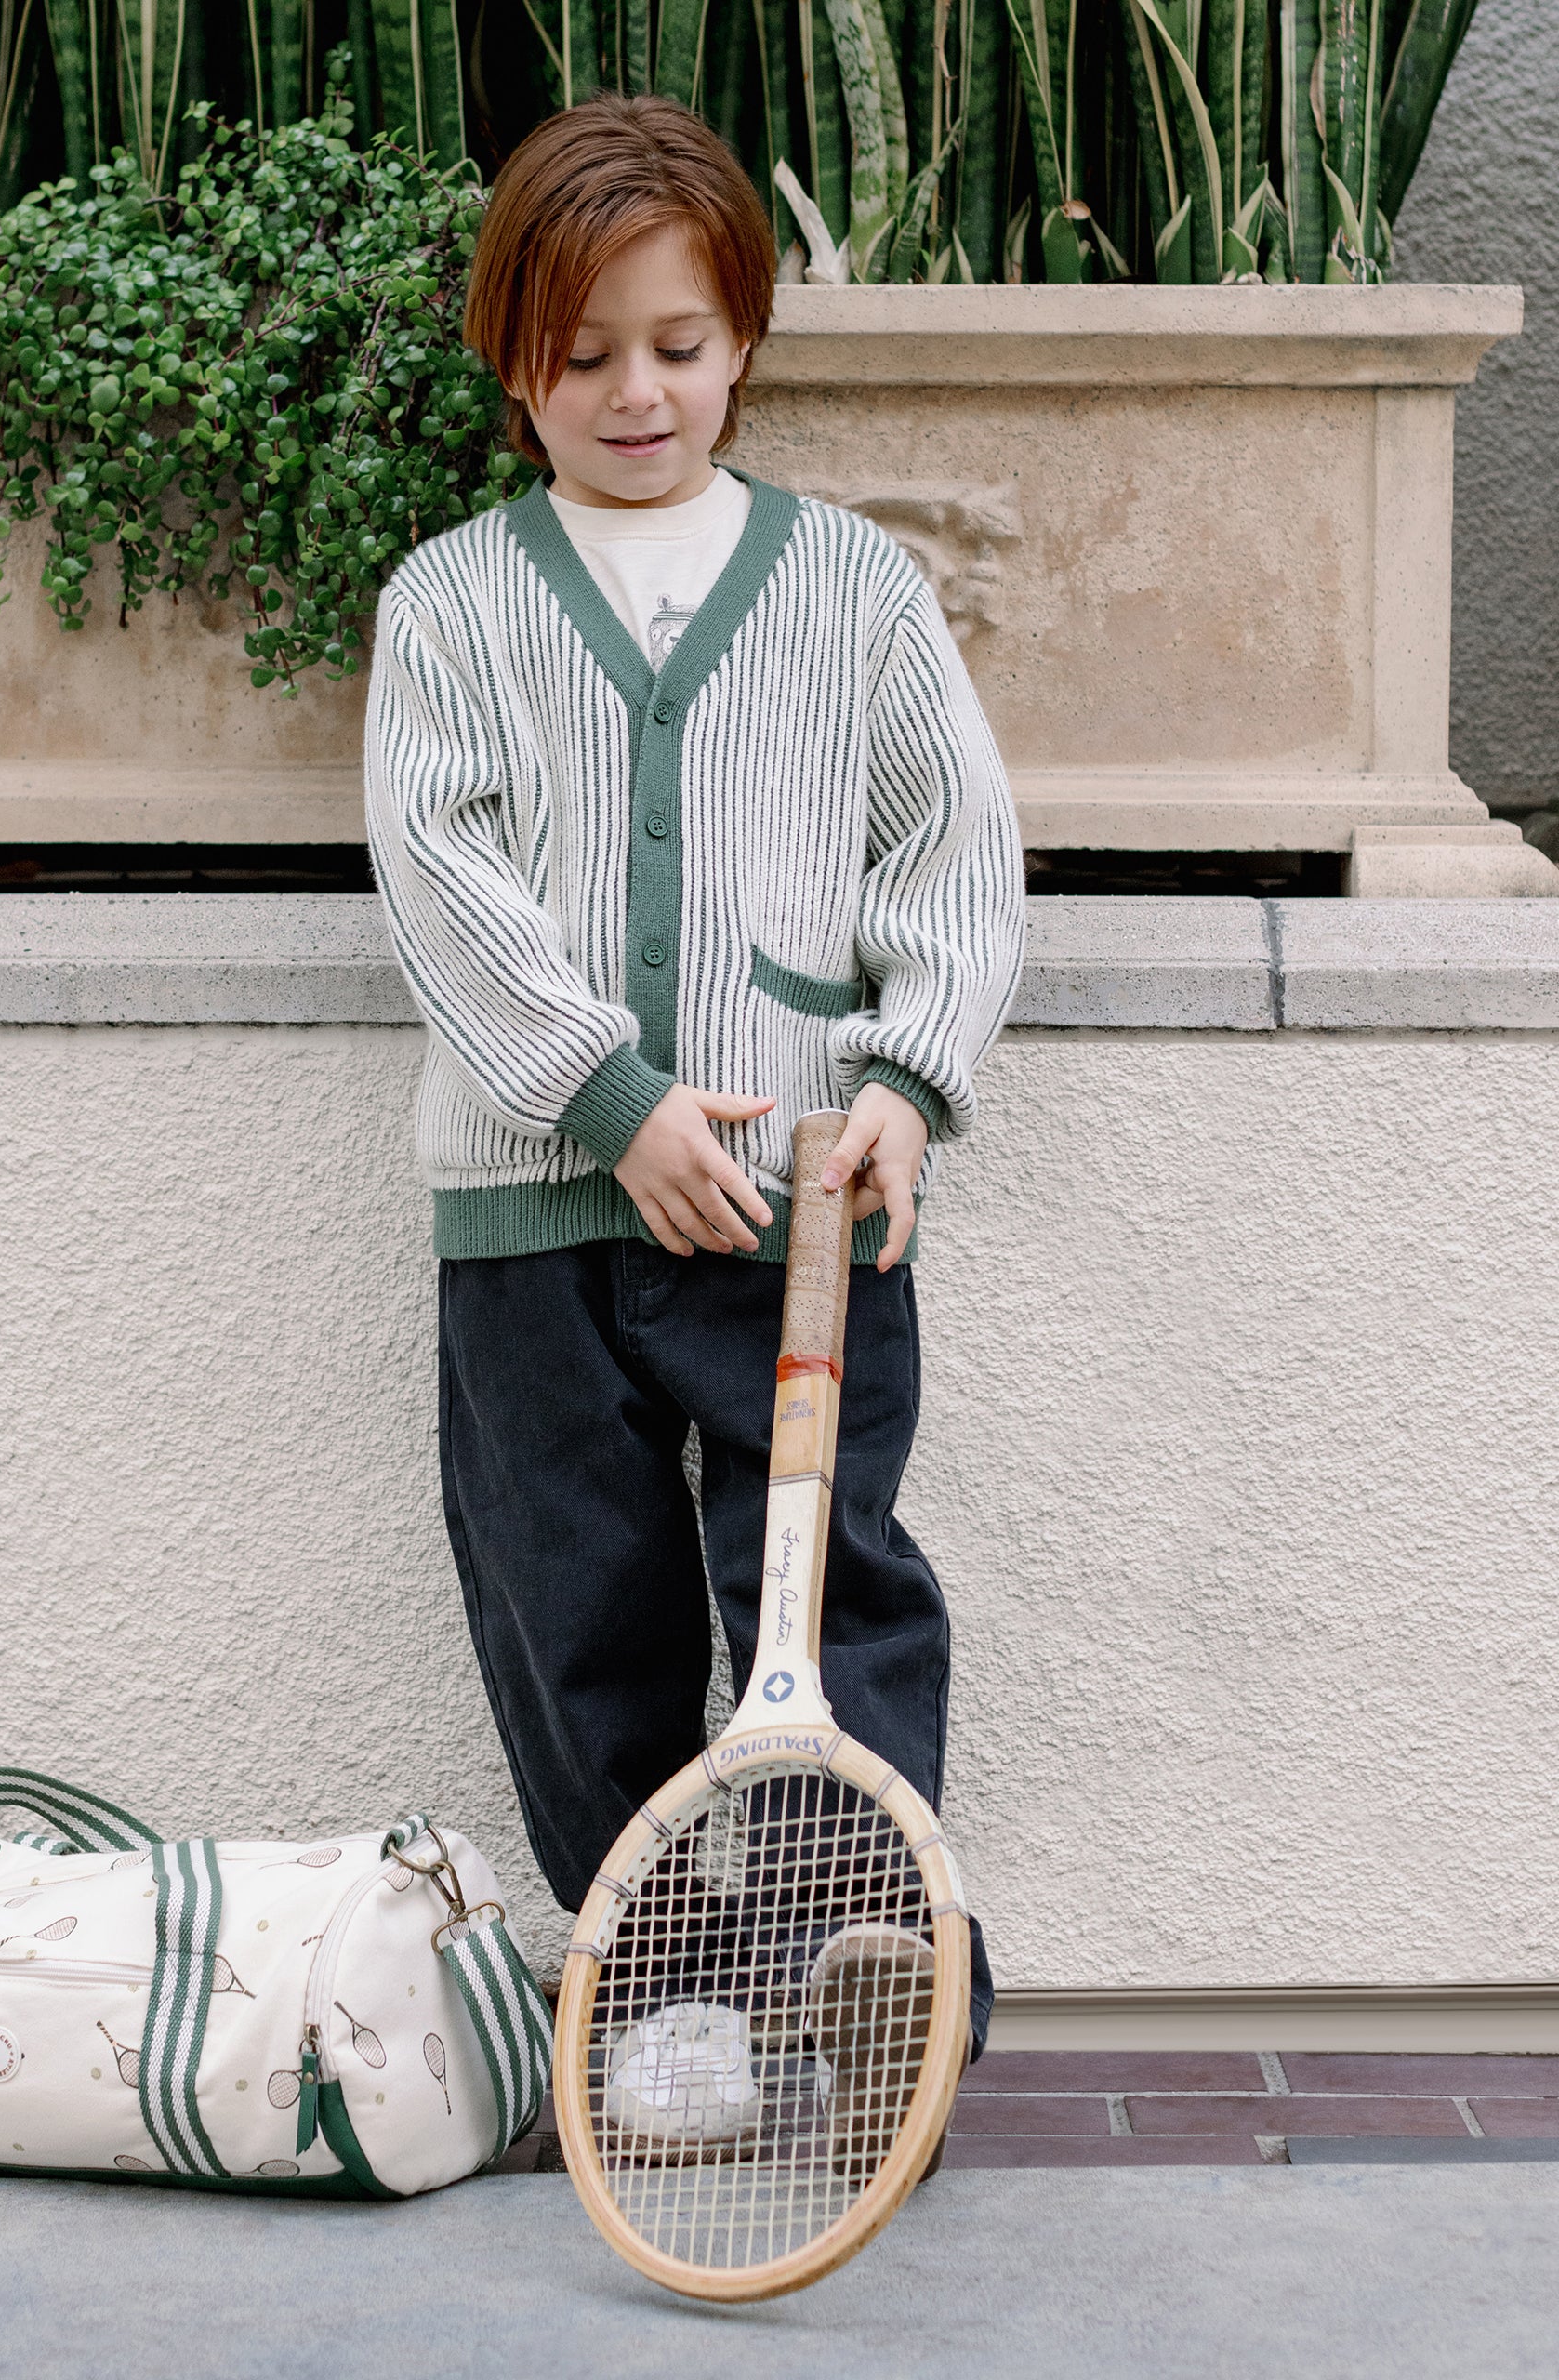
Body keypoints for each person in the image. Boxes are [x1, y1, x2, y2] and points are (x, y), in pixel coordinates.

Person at [363, 94, 1024, 2128]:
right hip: (534, 1215)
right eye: (579, 356)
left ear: (741, 336)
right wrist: (612, 1094)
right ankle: (678, 1982)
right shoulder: (454, 603)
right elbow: (435, 872)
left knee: (824, 1584)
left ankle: (863, 1946)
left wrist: (907, 1078)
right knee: (577, 1606)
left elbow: (958, 855)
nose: (632, 391)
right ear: (512, 363)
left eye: (673, 341)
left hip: (803, 1211)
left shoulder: (851, 591)